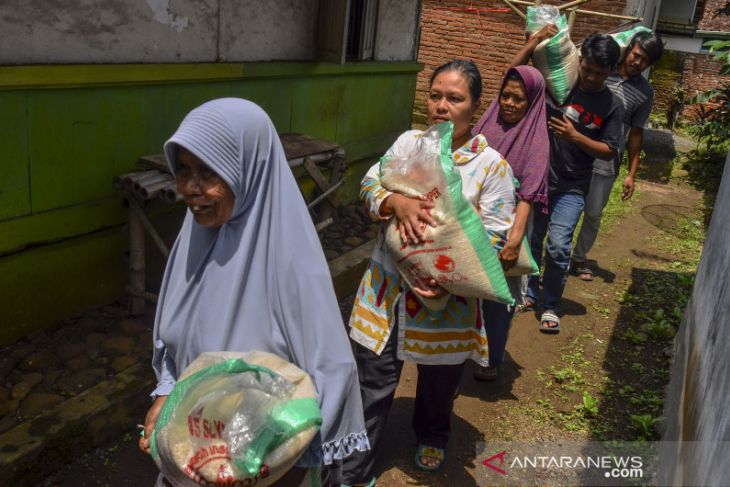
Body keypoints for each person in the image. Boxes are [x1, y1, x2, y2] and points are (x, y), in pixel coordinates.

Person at [137, 98, 369, 486]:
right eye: (184, 171)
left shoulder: (290, 259)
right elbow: (176, 347)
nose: (190, 190)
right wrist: (166, 397)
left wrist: (275, 461)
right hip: (197, 454)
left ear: (249, 171)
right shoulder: (192, 242)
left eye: (208, 173)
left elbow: (332, 369)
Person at [341, 60, 516, 486]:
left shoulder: (490, 166)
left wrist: (445, 277)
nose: (441, 106)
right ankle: (354, 468)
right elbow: (367, 186)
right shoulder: (406, 144)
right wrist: (393, 203)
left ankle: (433, 433)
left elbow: (495, 236)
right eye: (435, 95)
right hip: (387, 290)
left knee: (440, 381)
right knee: (372, 380)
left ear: (474, 106)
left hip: (448, 300)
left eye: (454, 98)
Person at [512, 33, 624, 333]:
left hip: (573, 185)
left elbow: (610, 149)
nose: (590, 77)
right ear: (579, 60)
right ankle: (530, 295)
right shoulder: (559, 83)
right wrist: (534, 41)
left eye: (600, 73)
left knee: (559, 247)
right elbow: (513, 75)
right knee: (533, 242)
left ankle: (550, 304)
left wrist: (575, 136)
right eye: (587, 69)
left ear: (612, 71)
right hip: (540, 179)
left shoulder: (612, 105)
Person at [471, 65, 551, 380]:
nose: (509, 104)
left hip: (509, 225)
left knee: (497, 293)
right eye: (505, 95)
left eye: (518, 98)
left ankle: (491, 357)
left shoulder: (536, 141)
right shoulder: (489, 125)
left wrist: (514, 241)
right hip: (474, 218)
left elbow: (528, 197)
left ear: (532, 102)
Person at [571, 31, 664, 280]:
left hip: (605, 162)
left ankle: (578, 258)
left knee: (592, 213)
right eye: (636, 55)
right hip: (576, 152)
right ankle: (557, 253)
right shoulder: (602, 70)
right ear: (629, 48)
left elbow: (635, 134)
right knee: (567, 205)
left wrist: (631, 174)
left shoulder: (645, 93)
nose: (637, 62)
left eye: (645, 61)